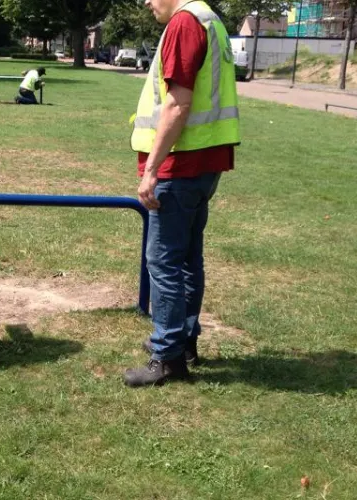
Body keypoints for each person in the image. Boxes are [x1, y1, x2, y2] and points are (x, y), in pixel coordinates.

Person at [123, 0, 240, 387]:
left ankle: (168, 356)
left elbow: (177, 103)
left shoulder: (184, 23)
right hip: (206, 164)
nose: (145, 2)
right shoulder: (211, 21)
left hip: (181, 166)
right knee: (188, 258)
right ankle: (182, 341)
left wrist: (152, 170)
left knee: (164, 262)